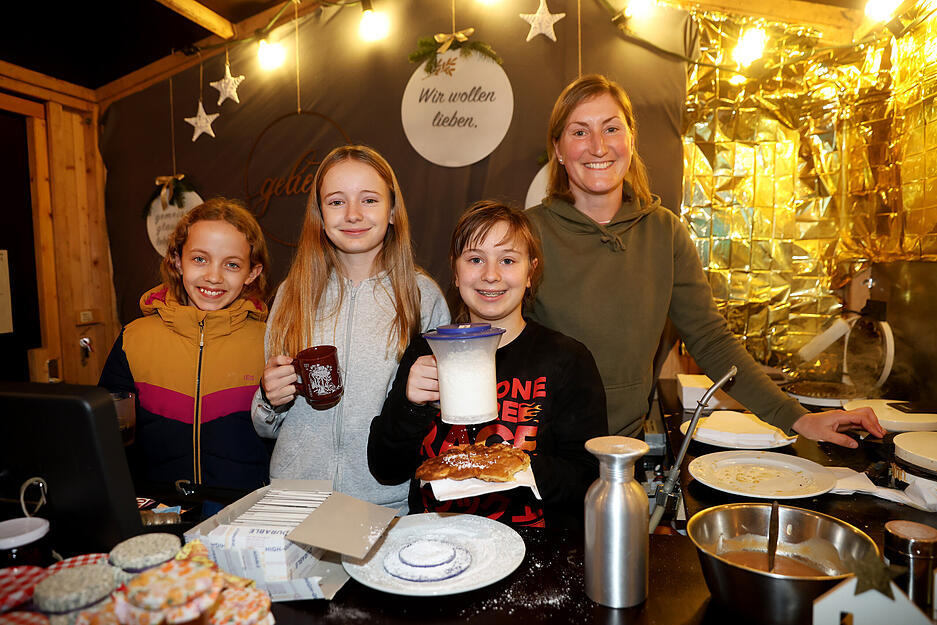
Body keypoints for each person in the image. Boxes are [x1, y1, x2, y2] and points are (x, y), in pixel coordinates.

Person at [526, 74, 886, 449]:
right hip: (536, 451)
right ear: (559, 149)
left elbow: (711, 341)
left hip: (621, 451)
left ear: (631, 140)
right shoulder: (527, 235)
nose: (598, 147)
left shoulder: (664, 232)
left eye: (611, 128)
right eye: (579, 132)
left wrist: (796, 416)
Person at [369, 201, 607, 528]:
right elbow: (385, 468)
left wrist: (509, 465)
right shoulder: (427, 351)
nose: (491, 275)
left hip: (531, 552)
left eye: (507, 260)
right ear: (455, 271)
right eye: (475, 259)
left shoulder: (566, 360)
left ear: (530, 272)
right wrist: (410, 407)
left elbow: (589, 479)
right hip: (436, 546)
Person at [252, 144, 449, 513]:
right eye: (337, 201)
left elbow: (439, 420)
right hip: (294, 500)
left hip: (384, 504)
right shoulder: (291, 294)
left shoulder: (423, 297)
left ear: (392, 211)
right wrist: (268, 398)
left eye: (370, 200)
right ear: (320, 215)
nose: (354, 214)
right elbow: (268, 425)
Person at [99, 197, 271, 496]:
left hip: (244, 512)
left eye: (231, 264)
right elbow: (105, 435)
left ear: (251, 273)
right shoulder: (134, 339)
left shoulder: (272, 342)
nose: (213, 276)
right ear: (177, 260)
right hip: (158, 508)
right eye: (200, 259)